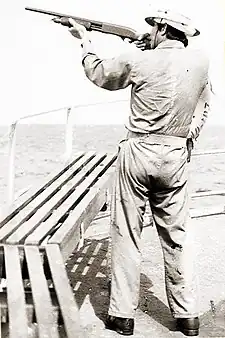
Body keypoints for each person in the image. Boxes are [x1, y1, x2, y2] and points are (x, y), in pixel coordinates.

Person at [54, 7, 210, 336]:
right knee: (176, 237)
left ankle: (122, 316)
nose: (148, 31)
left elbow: (100, 74)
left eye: (152, 27)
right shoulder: (200, 61)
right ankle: (187, 317)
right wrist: (187, 139)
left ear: (164, 28)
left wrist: (85, 41)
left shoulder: (136, 59)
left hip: (138, 151)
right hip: (175, 153)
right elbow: (203, 103)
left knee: (127, 233)